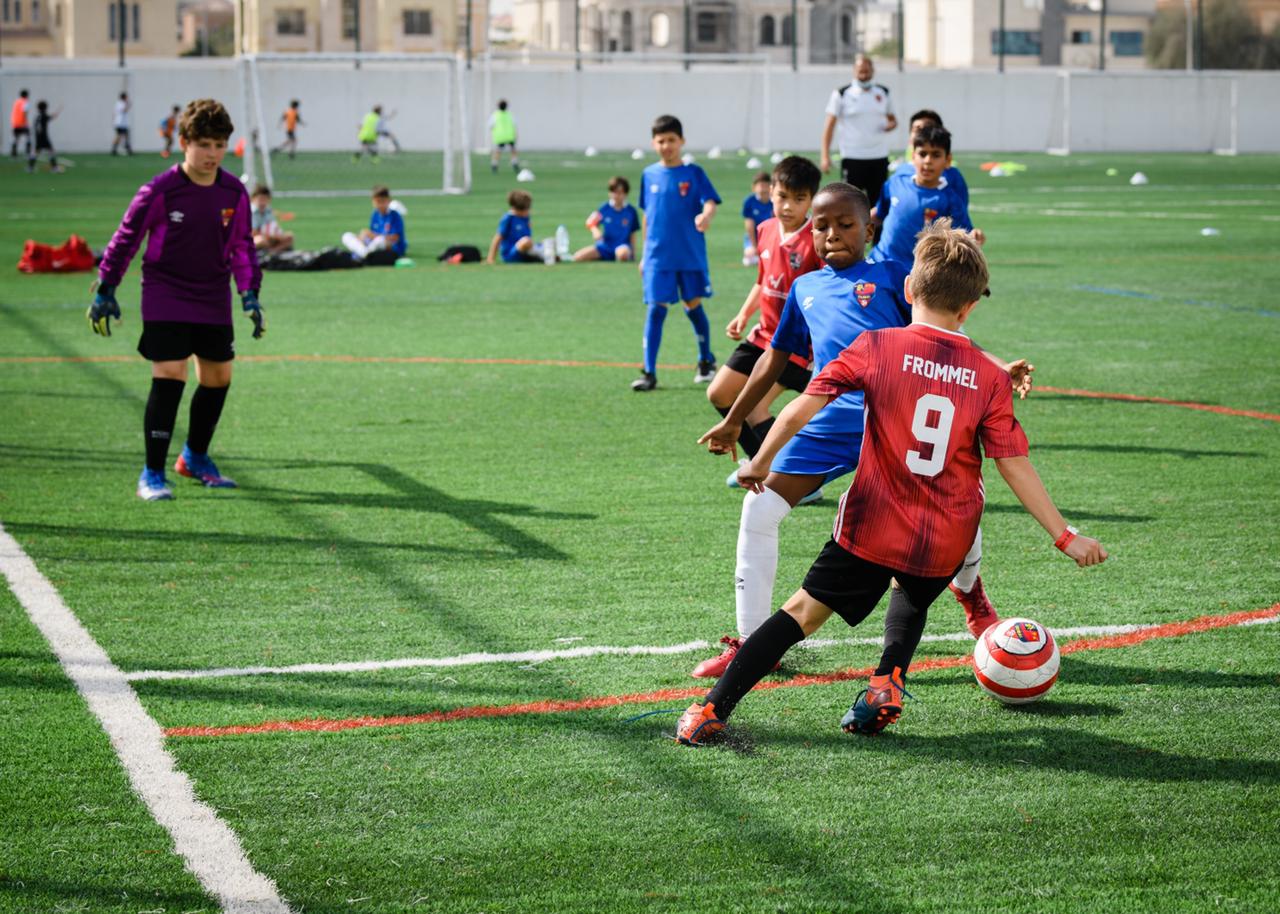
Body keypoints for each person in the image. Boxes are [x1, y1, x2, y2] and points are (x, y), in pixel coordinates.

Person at [677, 220, 1107, 746]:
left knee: (802, 612)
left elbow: (797, 411)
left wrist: (760, 460)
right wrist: (1065, 536)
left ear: (907, 290)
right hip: (946, 532)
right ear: (970, 307)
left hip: (874, 520)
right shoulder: (991, 377)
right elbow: (1013, 464)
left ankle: (710, 710)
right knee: (913, 591)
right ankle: (886, 682)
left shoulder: (876, 345)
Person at [694, 184, 1026, 679]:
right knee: (759, 506)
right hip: (831, 418)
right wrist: (735, 417)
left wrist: (997, 366)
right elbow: (775, 358)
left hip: (895, 414)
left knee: (951, 503)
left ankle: (971, 592)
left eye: (844, 225)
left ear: (869, 229)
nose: (831, 235)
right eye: (821, 226)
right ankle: (750, 641)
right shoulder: (805, 288)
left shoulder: (895, 276)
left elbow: (945, 333)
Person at [88, 98, 264, 502]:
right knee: (170, 373)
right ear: (184, 142)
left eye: (219, 145)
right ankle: (152, 472)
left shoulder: (233, 191)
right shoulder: (160, 190)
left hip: (212, 292)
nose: (212, 154)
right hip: (165, 290)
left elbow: (241, 246)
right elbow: (125, 240)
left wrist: (249, 293)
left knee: (218, 377)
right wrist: (106, 288)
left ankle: (195, 458)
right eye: (204, 144)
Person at [709, 155, 822, 490]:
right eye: (782, 196)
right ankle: (762, 465)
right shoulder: (765, 229)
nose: (788, 206)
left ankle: (794, 481)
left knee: (754, 406)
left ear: (811, 201)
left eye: (799, 199)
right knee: (719, 393)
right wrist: (744, 314)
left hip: (795, 345)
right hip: (762, 335)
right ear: (770, 192)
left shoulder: (814, 240)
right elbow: (763, 280)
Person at [631, 114, 721, 392]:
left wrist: (705, 216)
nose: (666, 146)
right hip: (659, 257)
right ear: (653, 143)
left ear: (681, 141)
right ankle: (649, 372)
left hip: (689, 254)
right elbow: (648, 216)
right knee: (655, 310)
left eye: (671, 140)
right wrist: (645, 254)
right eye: (661, 141)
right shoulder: (649, 174)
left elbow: (710, 201)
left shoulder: (693, 173)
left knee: (693, 305)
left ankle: (705, 360)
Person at [871, 124, 983, 269]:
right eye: (922, 154)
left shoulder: (950, 200)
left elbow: (965, 238)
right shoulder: (895, 182)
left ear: (948, 160)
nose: (928, 161)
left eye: (936, 155)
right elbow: (879, 213)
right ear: (913, 156)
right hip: (881, 263)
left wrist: (974, 238)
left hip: (918, 273)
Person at [820, 55, 896, 210]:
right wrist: (825, 156)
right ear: (854, 70)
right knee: (849, 204)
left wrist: (891, 125)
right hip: (852, 157)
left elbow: (893, 120)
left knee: (879, 205)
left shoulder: (883, 92)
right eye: (860, 70)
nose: (864, 73)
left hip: (878, 157)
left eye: (867, 70)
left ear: (872, 71)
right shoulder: (841, 93)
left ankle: (877, 235)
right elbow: (829, 126)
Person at [893, 109, 968, 207]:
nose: (923, 134)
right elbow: (882, 211)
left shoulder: (952, 177)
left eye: (927, 128)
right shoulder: (900, 175)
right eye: (917, 129)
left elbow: (960, 213)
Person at [572, 176, 639, 262]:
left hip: (622, 246)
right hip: (605, 246)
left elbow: (633, 234)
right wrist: (595, 230)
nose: (616, 195)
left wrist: (633, 253)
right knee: (578, 257)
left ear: (625, 194)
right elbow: (590, 221)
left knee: (622, 254)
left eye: (619, 192)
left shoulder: (631, 211)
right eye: (613, 192)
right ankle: (604, 256)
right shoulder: (604, 209)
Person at [341, 185, 407, 265]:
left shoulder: (395, 215)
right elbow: (372, 236)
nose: (380, 205)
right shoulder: (375, 214)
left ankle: (362, 255)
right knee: (347, 236)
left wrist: (373, 235)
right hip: (375, 246)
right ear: (373, 202)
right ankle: (366, 254)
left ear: (389, 201)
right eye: (377, 201)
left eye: (383, 201)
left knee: (380, 240)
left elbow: (395, 239)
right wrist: (363, 237)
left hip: (393, 249)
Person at [487, 190, 554, 264]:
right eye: (527, 208)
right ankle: (545, 256)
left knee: (550, 241)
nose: (529, 211)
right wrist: (490, 259)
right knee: (526, 241)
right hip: (510, 255)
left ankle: (545, 255)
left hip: (525, 252)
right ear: (518, 209)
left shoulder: (526, 218)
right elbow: (497, 238)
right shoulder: (508, 219)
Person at [741, 171, 774, 266]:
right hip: (754, 238)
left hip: (770, 238)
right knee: (749, 259)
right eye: (760, 185)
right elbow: (749, 226)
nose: (762, 189)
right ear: (754, 188)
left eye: (765, 185)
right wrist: (755, 246)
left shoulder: (775, 201)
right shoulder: (749, 202)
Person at [250, 185, 294, 254]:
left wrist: (278, 236)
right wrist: (272, 237)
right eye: (260, 199)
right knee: (261, 240)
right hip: (256, 239)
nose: (262, 203)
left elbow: (273, 226)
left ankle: (272, 253)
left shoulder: (268, 210)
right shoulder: (250, 211)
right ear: (253, 199)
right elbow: (252, 233)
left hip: (270, 238)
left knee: (289, 237)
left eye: (265, 199)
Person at [26, 101, 64, 174]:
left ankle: (30, 167)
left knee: (36, 152)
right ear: (45, 108)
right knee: (51, 151)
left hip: (38, 137)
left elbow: (35, 127)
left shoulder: (37, 116)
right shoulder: (44, 115)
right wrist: (59, 110)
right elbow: (53, 116)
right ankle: (54, 168)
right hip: (44, 137)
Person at [489, 99, 519, 174]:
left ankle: (494, 164)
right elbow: (514, 125)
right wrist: (516, 135)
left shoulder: (495, 115)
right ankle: (514, 163)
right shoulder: (510, 114)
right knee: (513, 151)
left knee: (498, 151)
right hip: (510, 136)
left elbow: (490, 126)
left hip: (500, 137)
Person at [10, 89, 31, 158]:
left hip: (15, 123)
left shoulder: (16, 102)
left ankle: (14, 155)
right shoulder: (25, 102)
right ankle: (28, 153)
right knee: (28, 138)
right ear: (26, 95)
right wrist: (26, 123)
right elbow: (25, 112)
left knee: (16, 139)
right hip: (22, 123)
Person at [111, 92, 133, 156]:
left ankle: (127, 149)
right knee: (119, 136)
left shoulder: (120, 103)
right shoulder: (120, 103)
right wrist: (128, 105)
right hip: (120, 123)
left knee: (124, 136)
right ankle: (115, 149)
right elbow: (124, 110)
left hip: (122, 123)